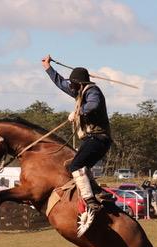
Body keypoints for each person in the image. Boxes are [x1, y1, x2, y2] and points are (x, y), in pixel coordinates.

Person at [42, 54, 112, 220]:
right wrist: (48, 68)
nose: (70, 86)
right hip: (92, 139)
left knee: (75, 166)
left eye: (73, 84)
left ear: (80, 84)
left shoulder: (93, 91)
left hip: (99, 138)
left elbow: (93, 105)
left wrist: (78, 112)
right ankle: (99, 193)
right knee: (79, 167)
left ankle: (90, 200)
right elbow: (61, 83)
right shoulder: (78, 91)